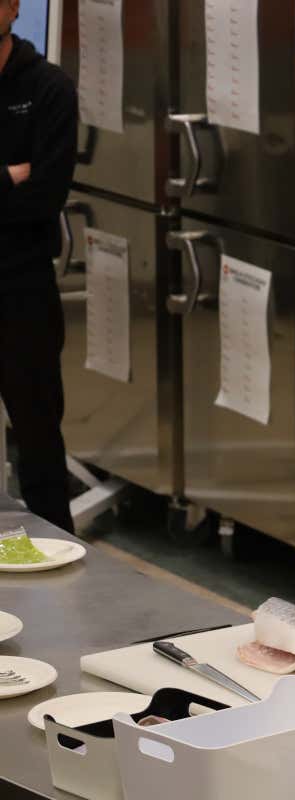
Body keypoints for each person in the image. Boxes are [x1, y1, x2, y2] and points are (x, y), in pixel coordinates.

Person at [0, 0, 80, 532]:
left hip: (20, 285)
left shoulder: (48, 89)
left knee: (39, 449)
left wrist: (23, 183)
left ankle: (60, 593)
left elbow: (45, 195)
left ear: (13, 6)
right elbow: (23, 192)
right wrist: (7, 176)